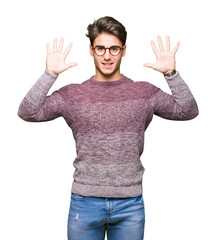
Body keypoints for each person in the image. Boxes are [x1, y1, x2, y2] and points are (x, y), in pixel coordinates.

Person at [18, 16, 199, 240]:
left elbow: (187, 110)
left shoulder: (143, 92)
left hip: (130, 205)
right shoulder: (72, 94)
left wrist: (171, 74)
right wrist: (50, 74)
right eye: (100, 48)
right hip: (84, 203)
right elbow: (28, 112)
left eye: (114, 49)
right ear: (91, 50)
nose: (106, 55)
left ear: (123, 51)